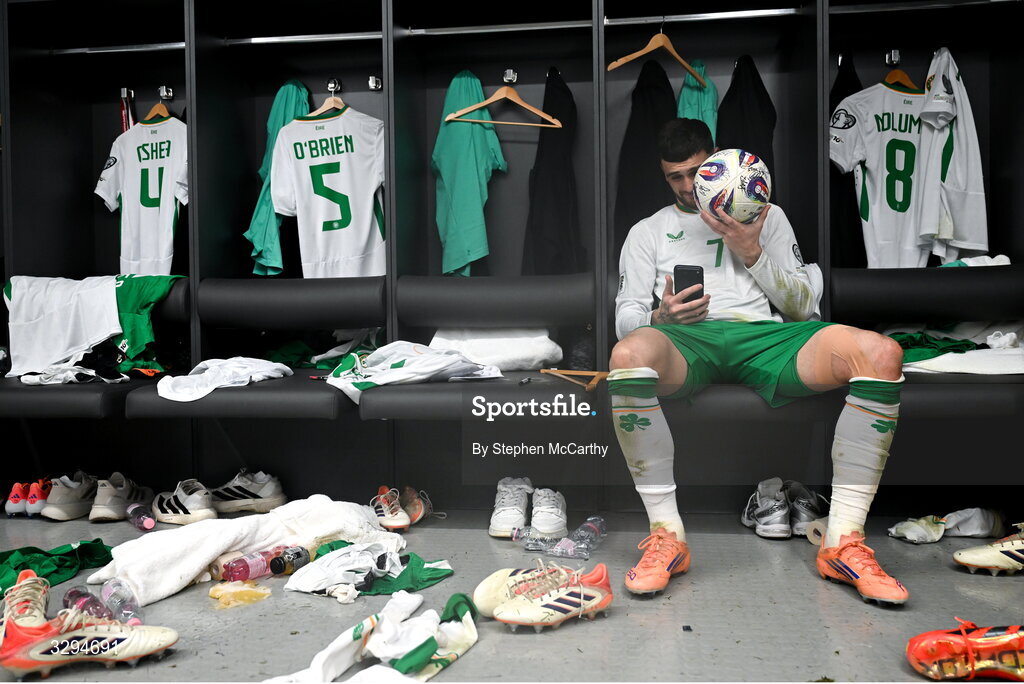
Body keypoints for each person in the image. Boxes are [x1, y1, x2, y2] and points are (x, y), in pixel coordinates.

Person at [609, 118, 907, 605]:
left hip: (768, 337)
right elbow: (625, 318)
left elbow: (804, 308)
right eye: (673, 177)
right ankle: (668, 535)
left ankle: (843, 543)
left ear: (717, 161)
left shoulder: (768, 215)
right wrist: (660, 316)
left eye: (694, 172)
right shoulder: (648, 231)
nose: (687, 187)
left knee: (883, 352)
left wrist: (753, 253)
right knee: (626, 355)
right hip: (688, 341)